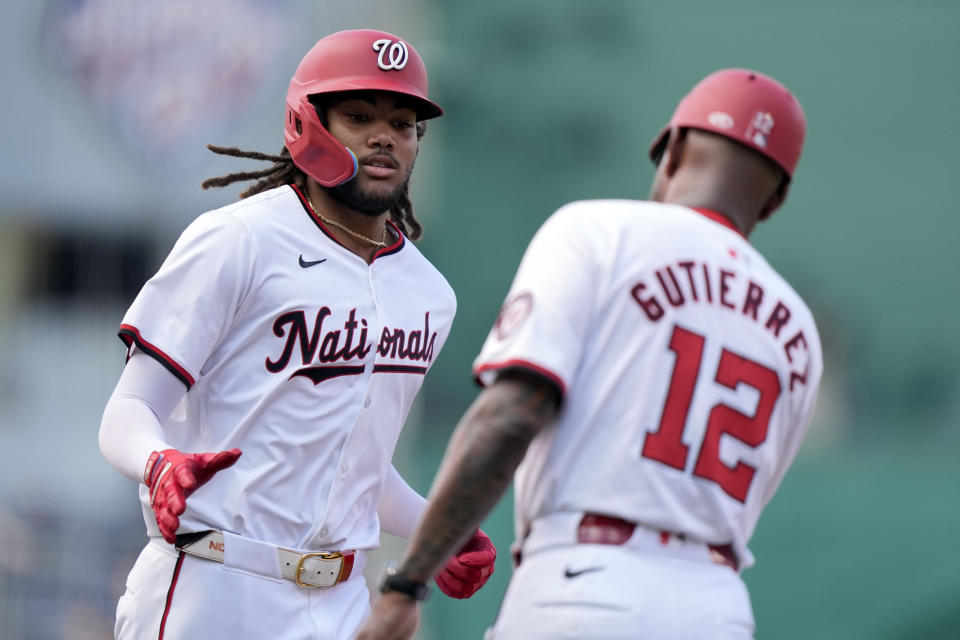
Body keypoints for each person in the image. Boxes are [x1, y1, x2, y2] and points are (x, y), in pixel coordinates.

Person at [356, 68, 823, 640]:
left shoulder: (599, 231)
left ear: (672, 151)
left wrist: (407, 583)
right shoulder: (798, 329)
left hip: (585, 586)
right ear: (774, 199)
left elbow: (510, 416)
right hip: (717, 605)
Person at [98, 29, 495, 640]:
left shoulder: (429, 295)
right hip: (214, 582)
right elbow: (129, 407)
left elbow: (357, 465)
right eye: (359, 115)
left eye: (404, 121)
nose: (384, 134)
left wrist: (437, 528)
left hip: (341, 602)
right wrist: (157, 462)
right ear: (306, 122)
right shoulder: (240, 240)